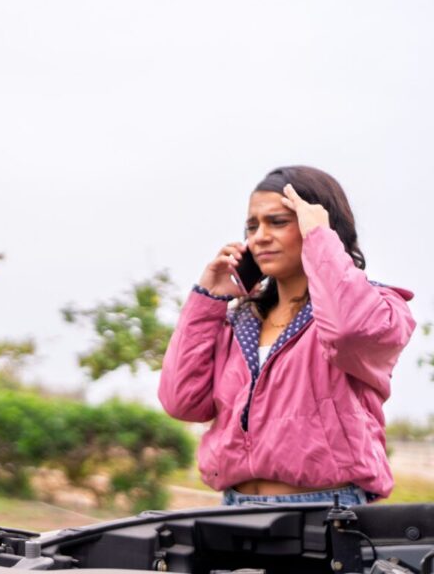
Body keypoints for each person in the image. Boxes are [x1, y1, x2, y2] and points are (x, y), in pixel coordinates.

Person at [158, 166, 415, 506]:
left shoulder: (378, 306)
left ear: (317, 224)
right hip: (235, 509)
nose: (260, 236)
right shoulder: (240, 319)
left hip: (327, 511)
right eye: (252, 226)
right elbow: (182, 400)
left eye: (277, 222)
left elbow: (348, 331)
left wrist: (321, 240)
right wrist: (208, 301)